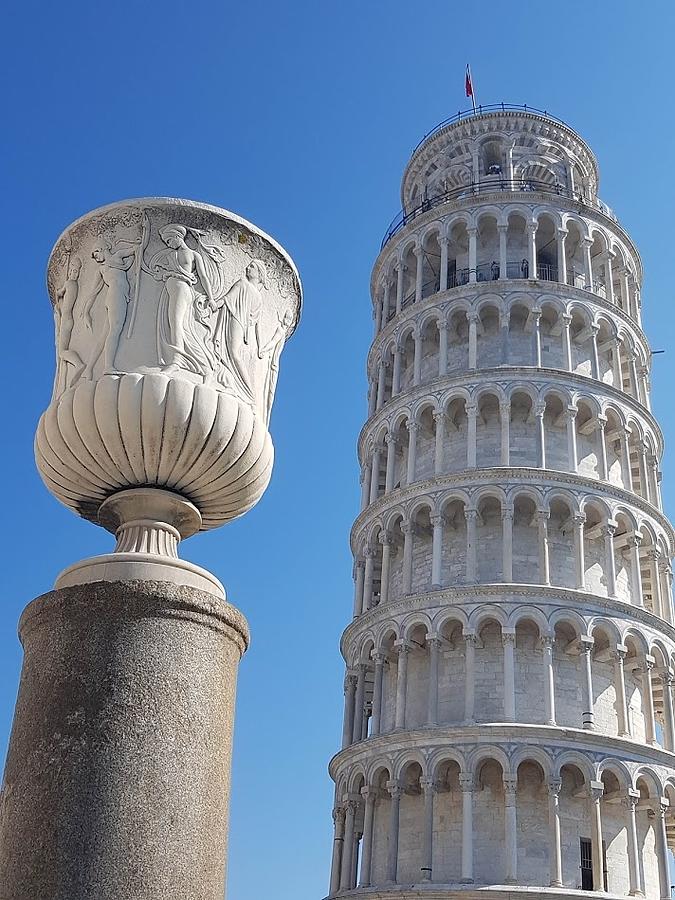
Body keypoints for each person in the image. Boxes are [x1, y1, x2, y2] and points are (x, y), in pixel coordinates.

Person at [149, 224, 221, 379]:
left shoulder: (194, 255)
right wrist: (163, 273)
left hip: (183, 290)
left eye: (169, 240)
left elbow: (203, 277)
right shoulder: (170, 255)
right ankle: (181, 360)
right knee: (172, 324)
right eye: (166, 242)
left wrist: (211, 298)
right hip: (171, 290)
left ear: (178, 237)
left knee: (177, 323)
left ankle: (178, 361)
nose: (168, 244)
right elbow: (156, 270)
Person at [211, 260, 267, 404]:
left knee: (234, 354)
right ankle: (234, 385)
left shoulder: (243, 284)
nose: (248, 267)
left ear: (259, 274)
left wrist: (214, 305)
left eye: (252, 266)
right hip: (240, 324)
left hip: (235, 320)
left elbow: (226, 299)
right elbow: (256, 324)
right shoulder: (256, 295)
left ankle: (246, 391)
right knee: (233, 354)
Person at [81, 240, 138, 378]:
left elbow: (136, 249)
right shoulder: (102, 269)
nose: (96, 258)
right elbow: (94, 292)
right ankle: (108, 366)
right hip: (115, 295)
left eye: (96, 253)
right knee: (115, 329)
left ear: (103, 248)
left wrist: (143, 235)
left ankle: (89, 369)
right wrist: (86, 311)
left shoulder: (118, 256)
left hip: (119, 296)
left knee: (105, 335)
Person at [258, 309, 293, 424]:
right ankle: (264, 420)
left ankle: (265, 420)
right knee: (268, 393)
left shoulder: (282, 332)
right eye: (287, 318)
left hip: (274, 366)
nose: (288, 322)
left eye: (290, 320)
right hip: (272, 365)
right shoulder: (280, 330)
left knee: (270, 395)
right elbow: (273, 342)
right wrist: (263, 349)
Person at [55, 256, 84, 387]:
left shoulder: (68, 283)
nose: (74, 273)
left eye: (75, 271)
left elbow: (59, 293)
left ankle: (78, 364)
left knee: (62, 352)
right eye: (72, 271)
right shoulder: (75, 284)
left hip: (66, 319)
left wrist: (57, 293)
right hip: (69, 319)